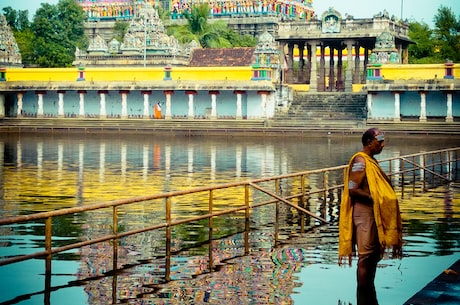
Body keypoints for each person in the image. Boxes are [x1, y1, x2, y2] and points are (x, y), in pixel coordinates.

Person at [339, 128, 402, 305]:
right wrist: (374, 197)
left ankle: (369, 291)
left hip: (373, 214)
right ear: (368, 142)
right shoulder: (360, 161)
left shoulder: (371, 161)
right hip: (364, 214)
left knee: (374, 254)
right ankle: (364, 294)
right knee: (366, 257)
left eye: (383, 141)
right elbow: (353, 190)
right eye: (379, 141)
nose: (382, 144)